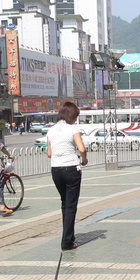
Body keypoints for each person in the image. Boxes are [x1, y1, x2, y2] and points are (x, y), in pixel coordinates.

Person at [46, 102, 88, 250]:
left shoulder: (51, 130)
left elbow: (49, 153)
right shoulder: (73, 129)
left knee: (65, 203)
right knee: (71, 206)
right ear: (72, 115)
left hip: (56, 170)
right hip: (71, 168)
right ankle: (67, 241)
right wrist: (84, 159)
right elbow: (81, 148)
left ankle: (67, 237)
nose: (76, 119)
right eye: (76, 116)